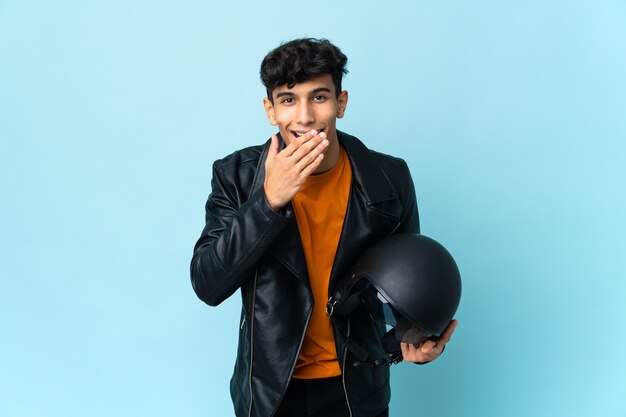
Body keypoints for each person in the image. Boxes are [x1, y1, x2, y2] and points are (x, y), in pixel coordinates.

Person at [190, 38, 458, 417]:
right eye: (288, 100)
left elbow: (407, 280)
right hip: (270, 393)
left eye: (319, 97)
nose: (304, 117)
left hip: (357, 389)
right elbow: (208, 283)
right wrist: (268, 202)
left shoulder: (389, 177)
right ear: (270, 110)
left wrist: (415, 342)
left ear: (341, 103)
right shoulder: (235, 176)